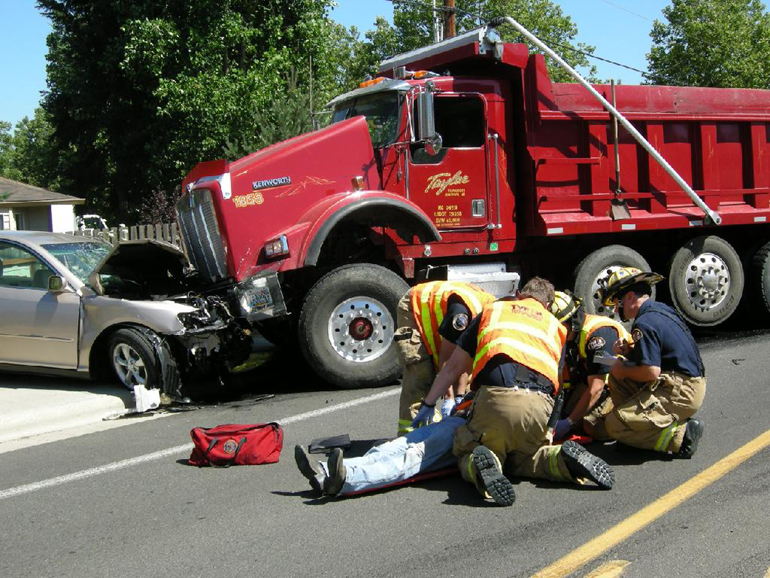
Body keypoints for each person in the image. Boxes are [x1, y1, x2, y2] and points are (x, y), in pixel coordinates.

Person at [414, 277, 615, 506]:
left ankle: (483, 462)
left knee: (467, 448)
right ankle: (561, 461)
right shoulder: (555, 327)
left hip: (497, 401)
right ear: (547, 306)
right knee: (528, 457)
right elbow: (557, 388)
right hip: (539, 407)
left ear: (519, 294)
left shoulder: (494, 311)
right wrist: (551, 429)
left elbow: (452, 368)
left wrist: (429, 403)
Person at [584, 267, 707, 458]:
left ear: (631, 296)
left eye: (618, 303)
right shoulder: (659, 310)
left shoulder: (644, 323)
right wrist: (630, 353)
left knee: (613, 426)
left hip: (681, 392)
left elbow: (651, 372)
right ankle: (637, 424)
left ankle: (680, 435)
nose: (617, 310)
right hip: (683, 383)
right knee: (618, 378)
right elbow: (662, 355)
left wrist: (622, 368)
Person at [395, 280, 495, 434]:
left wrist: (460, 396)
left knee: (463, 388)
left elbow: (465, 359)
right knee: (420, 374)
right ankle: (409, 434)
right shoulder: (461, 318)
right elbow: (448, 362)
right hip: (415, 308)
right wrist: (449, 398)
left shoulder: (491, 320)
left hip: (445, 313)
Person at [294, 416, 467, 498]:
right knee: (387, 449)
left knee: (413, 456)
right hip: (454, 420)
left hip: (467, 432)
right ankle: (323, 471)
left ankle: (347, 479)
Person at [548, 291, 630, 441]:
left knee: (592, 425)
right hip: (589, 382)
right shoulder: (571, 336)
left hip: (620, 386)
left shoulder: (598, 336)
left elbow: (597, 387)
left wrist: (568, 422)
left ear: (571, 322)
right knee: (565, 413)